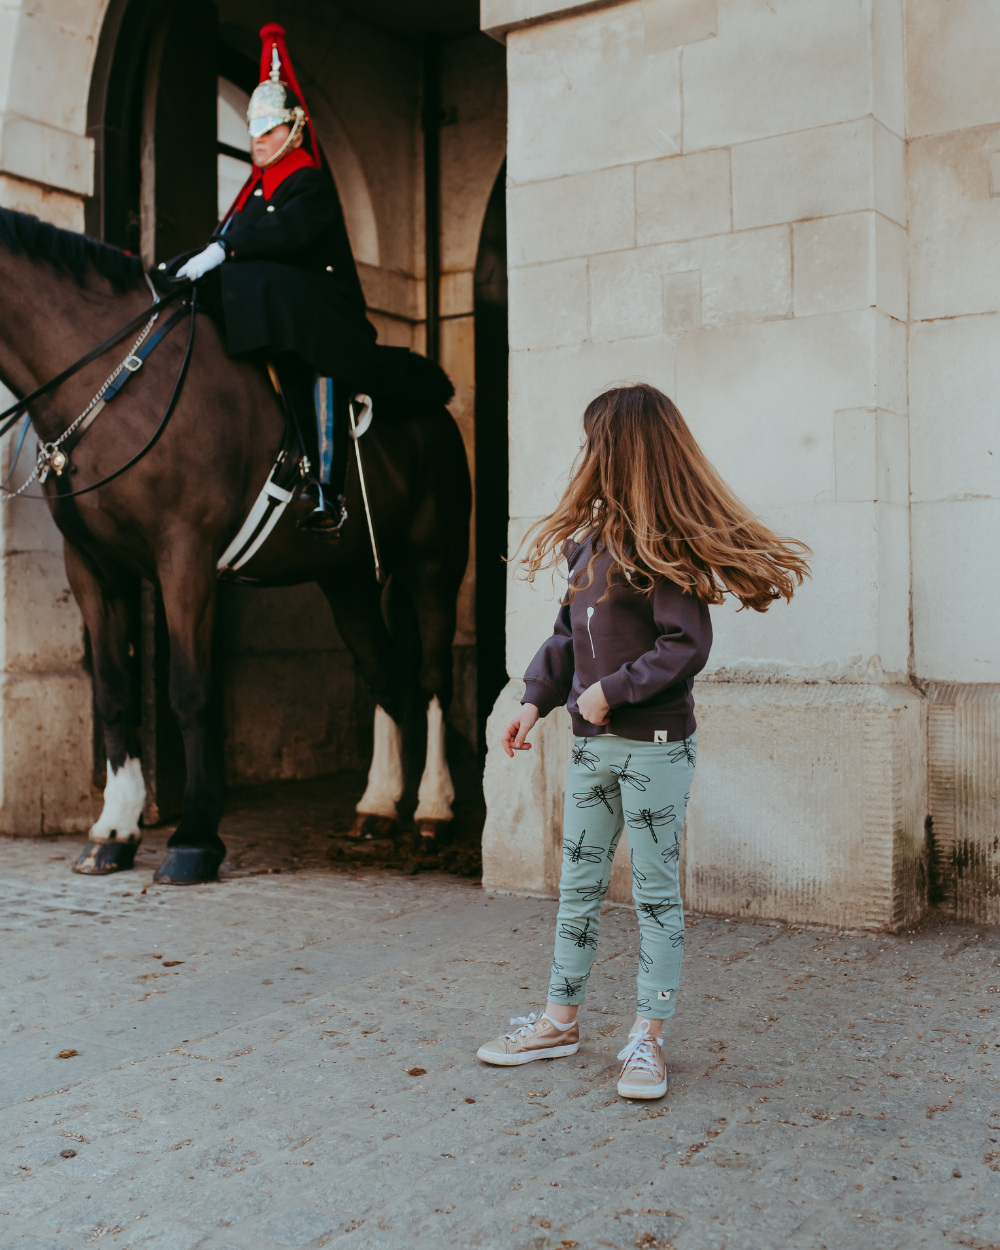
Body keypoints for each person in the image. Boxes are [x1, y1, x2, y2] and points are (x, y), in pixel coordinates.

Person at [475, 384, 811, 1099]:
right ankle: (559, 1022)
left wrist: (611, 691)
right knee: (579, 886)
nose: (585, 454)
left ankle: (646, 1040)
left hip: (656, 747)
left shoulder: (664, 548)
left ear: (621, 450)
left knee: (655, 892)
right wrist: (533, 701)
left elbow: (684, 645)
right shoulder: (587, 545)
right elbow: (566, 637)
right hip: (593, 750)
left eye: (595, 441)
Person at [176, 23, 375, 533]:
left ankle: (327, 486)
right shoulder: (254, 192)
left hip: (326, 311)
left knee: (266, 294)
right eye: (254, 132)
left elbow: (285, 234)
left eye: (269, 131)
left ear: (294, 129)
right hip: (285, 306)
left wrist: (226, 247)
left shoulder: (308, 183)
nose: (257, 141)